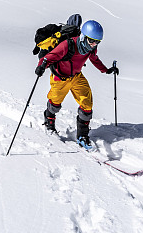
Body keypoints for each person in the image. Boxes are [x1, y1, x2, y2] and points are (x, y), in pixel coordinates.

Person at [35, 20, 119, 148]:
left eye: (97, 42)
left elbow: (95, 59)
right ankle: (49, 123)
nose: (94, 45)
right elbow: (49, 57)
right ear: (83, 36)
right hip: (60, 78)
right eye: (92, 41)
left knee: (87, 104)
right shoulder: (68, 45)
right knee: (55, 103)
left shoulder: (90, 49)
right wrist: (41, 66)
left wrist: (106, 70)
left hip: (76, 77)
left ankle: (82, 136)